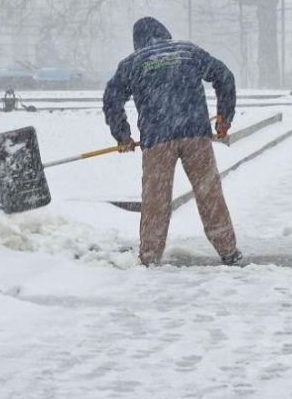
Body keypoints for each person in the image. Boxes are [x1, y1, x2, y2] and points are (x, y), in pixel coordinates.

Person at [103, 17, 245, 267]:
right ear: (165, 32)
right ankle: (229, 252)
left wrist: (122, 136)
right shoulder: (188, 51)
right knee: (209, 193)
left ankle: (149, 258)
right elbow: (224, 76)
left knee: (155, 201)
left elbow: (112, 99)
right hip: (195, 135)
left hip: (157, 140)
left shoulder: (133, 63)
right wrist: (224, 117)